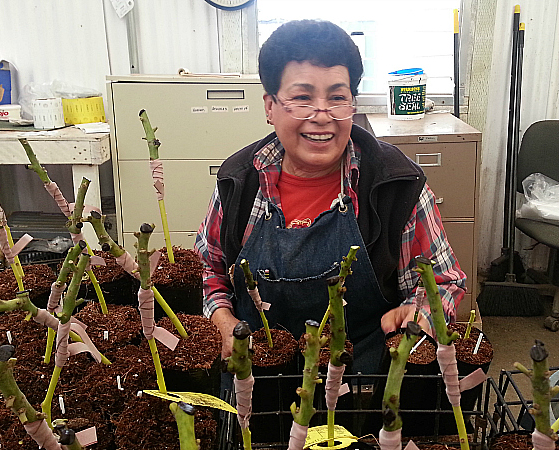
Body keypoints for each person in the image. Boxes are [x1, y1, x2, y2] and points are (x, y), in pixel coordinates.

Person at [194, 19, 466, 375]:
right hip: (256, 377)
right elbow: (209, 267)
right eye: (302, 98)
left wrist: (421, 312)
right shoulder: (241, 181)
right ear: (270, 106)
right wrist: (223, 319)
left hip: (364, 383)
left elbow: (444, 281)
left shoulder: (394, 186)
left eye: (337, 97)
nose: (321, 115)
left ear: (353, 104)